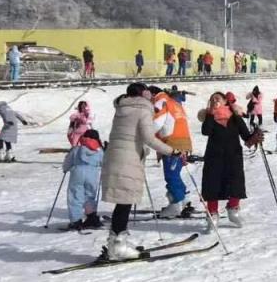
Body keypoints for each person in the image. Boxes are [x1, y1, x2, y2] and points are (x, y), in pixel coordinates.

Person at [101, 83, 181, 260]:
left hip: (115, 156)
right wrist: (172, 150)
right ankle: (118, 247)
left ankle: (116, 242)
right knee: (125, 203)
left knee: (122, 203)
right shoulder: (143, 109)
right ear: (143, 94)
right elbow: (148, 137)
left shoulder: (122, 108)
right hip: (129, 159)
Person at [199, 92, 262, 231]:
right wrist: (211, 112)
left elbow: (246, 137)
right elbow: (206, 131)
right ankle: (212, 215)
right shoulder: (210, 117)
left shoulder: (234, 117)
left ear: (225, 101)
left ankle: (233, 209)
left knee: (236, 184)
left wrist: (256, 136)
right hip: (214, 157)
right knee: (212, 185)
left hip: (233, 157)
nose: (215, 100)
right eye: (212, 99)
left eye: (218, 98)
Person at [150, 85, 194, 219]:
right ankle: (184, 201)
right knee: (175, 174)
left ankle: (176, 204)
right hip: (183, 141)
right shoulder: (174, 102)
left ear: (153, 94)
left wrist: (144, 131)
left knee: (171, 176)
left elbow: (157, 123)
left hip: (172, 142)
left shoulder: (161, 100)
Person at [61, 129, 104, 231]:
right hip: (92, 173)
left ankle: (76, 220)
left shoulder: (77, 149)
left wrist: (65, 169)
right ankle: (91, 216)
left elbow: (68, 161)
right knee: (90, 194)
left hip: (78, 172)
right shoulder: (99, 151)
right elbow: (104, 162)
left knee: (75, 195)